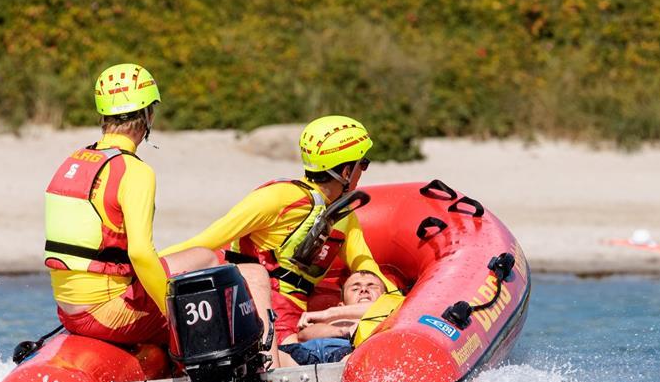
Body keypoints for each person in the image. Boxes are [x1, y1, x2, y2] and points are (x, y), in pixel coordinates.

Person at [162, 115, 398, 366]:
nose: (364, 171)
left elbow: (368, 269)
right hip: (253, 307)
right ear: (347, 171)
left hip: (293, 317)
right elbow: (207, 239)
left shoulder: (344, 219)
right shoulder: (279, 197)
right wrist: (145, 267)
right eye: (364, 164)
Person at [45, 63, 231, 349]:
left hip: (68, 311)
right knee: (209, 259)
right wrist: (174, 315)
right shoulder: (134, 171)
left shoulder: (74, 160)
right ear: (148, 115)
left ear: (103, 115)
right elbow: (141, 254)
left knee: (187, 258)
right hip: (107, 313)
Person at [280, 270, 387, 365]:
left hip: (351, 353)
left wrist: (329, 313)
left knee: (355, 359)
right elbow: (303, 335)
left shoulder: (393, 310)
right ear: (341, 305)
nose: (364, 289)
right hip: (311, 350)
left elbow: (383, 306)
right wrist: (344, 331)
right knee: (272, 357)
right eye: (355, 288)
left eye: (372, 286)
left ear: (386, 296)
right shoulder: (332, 320)